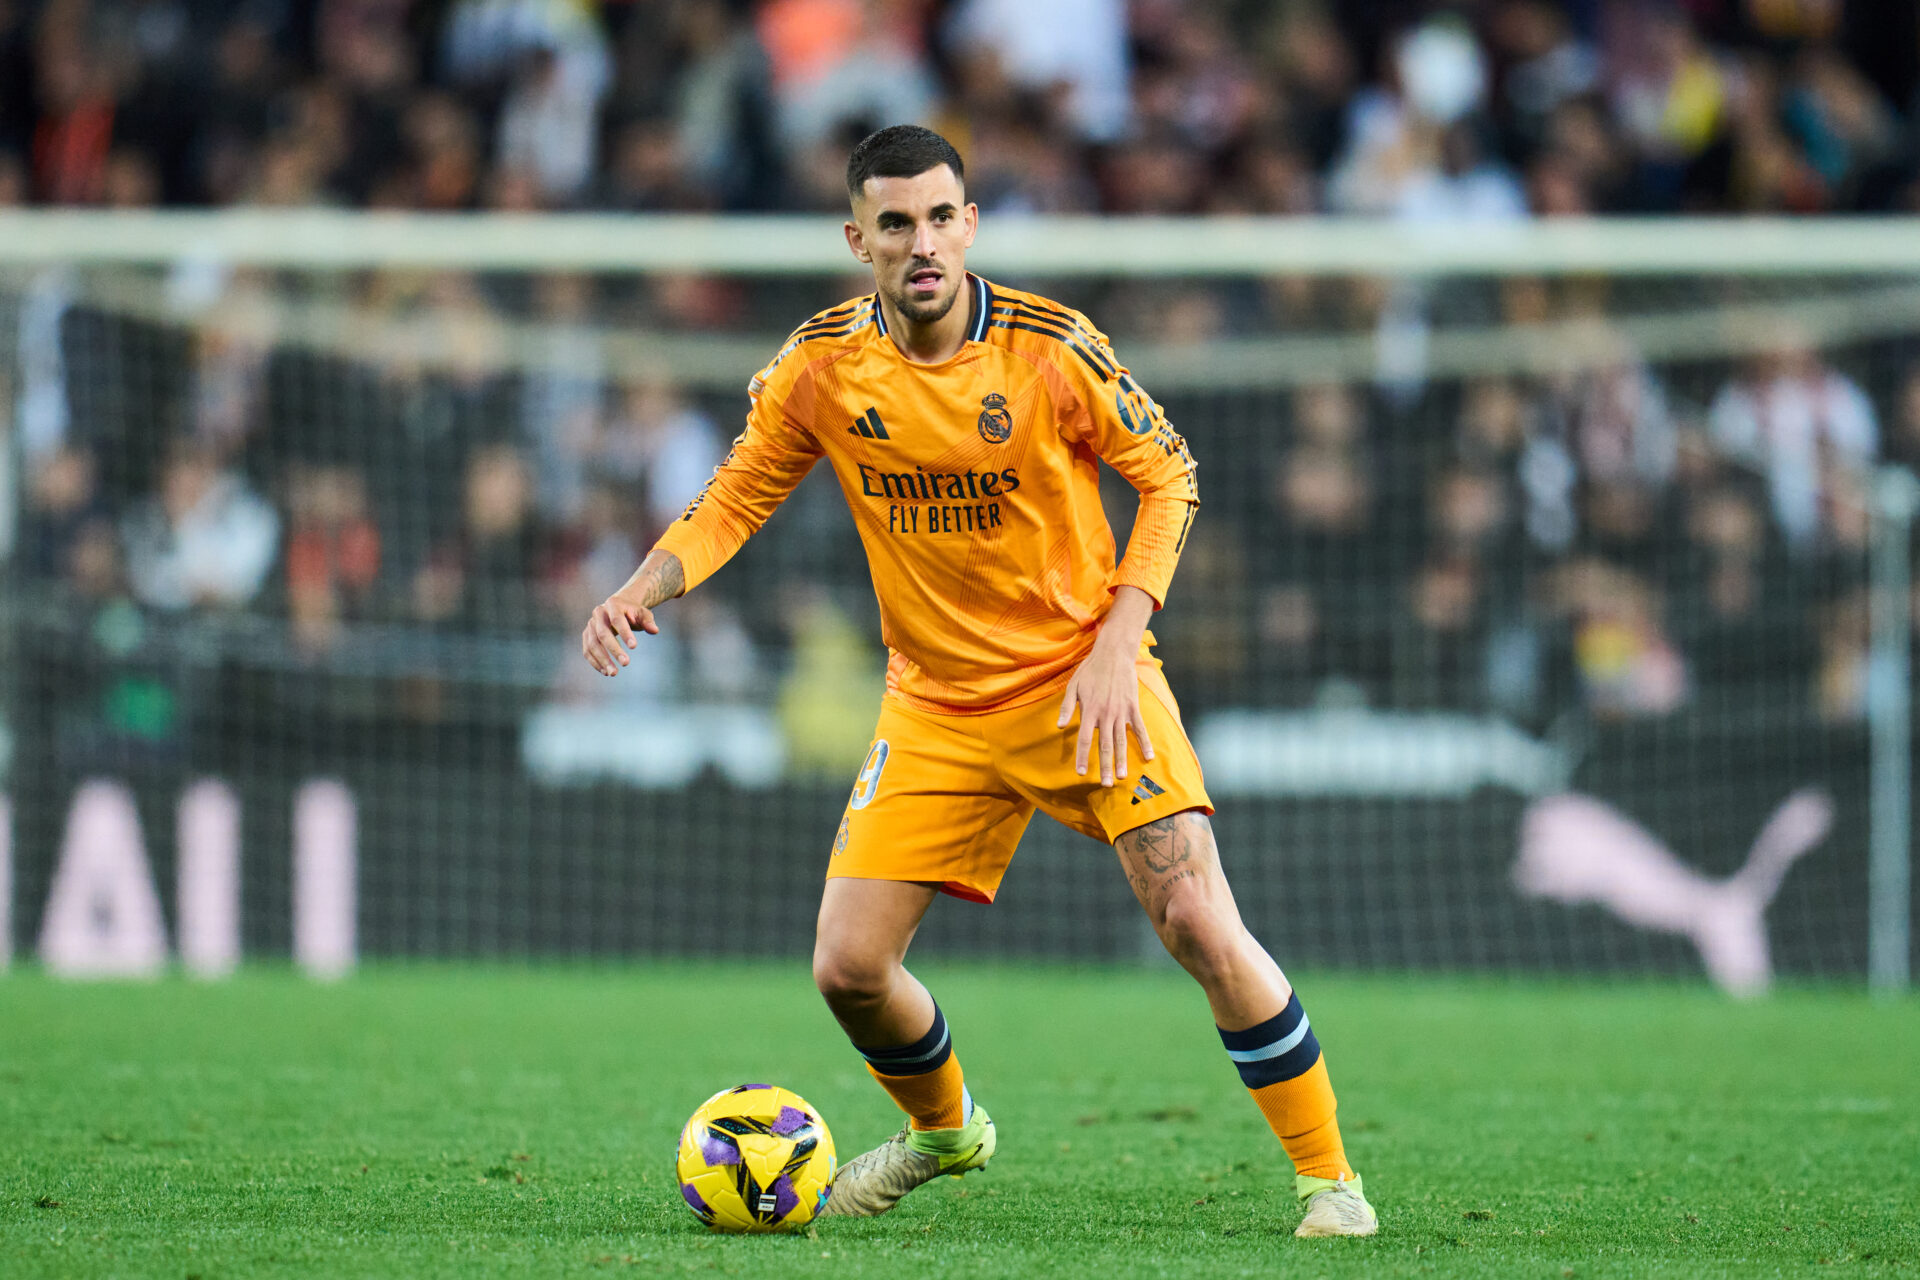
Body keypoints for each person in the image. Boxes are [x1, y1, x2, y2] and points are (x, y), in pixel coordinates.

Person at [579, 125, 1377, 1238]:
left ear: (970, 224)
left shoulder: (1053, 347)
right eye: (896, 222)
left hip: (1084, 677)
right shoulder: (820, 365)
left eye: (942, 216)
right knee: (849, 966)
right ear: (857, 238)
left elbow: (1171, 475)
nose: (923, 242)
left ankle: (1330, 1178)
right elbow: (737, 493)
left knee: (1196, 914)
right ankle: (947, 1132)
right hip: (938, 701)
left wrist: (1117, 638)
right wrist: (641, 585)